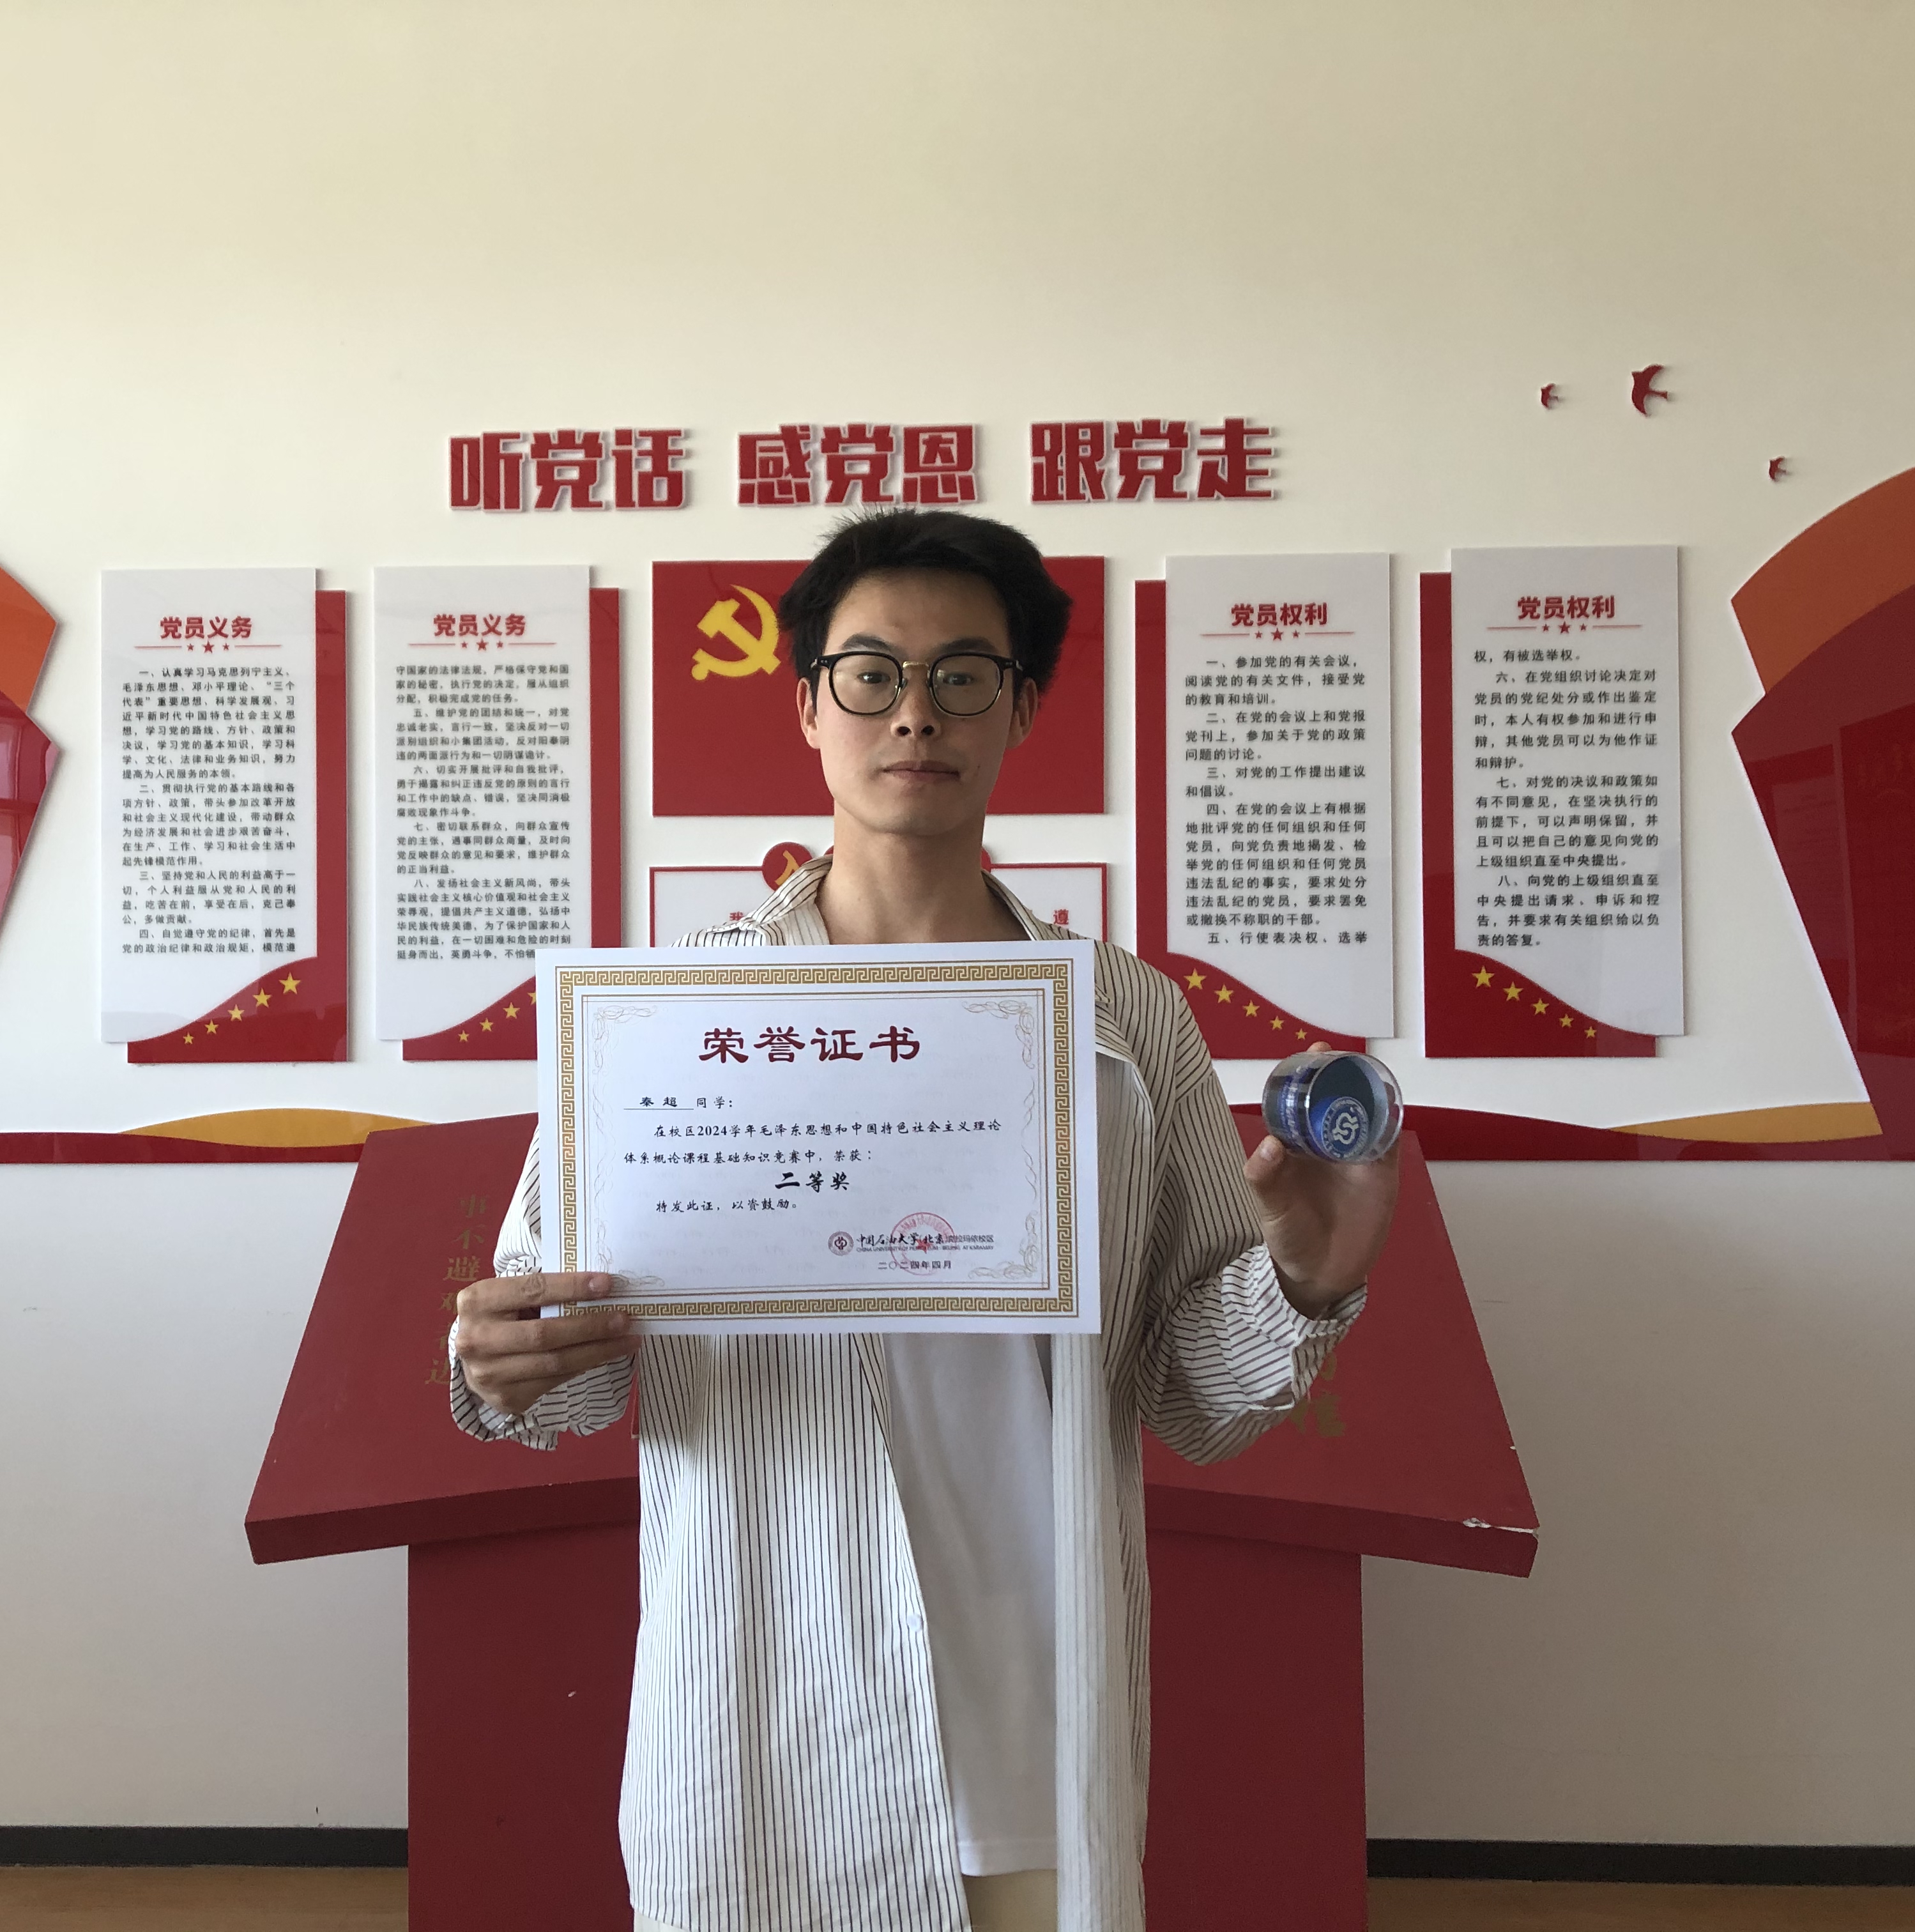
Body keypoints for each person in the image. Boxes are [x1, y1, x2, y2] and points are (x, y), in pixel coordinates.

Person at [449, 509, 1398, 1932]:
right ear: (807, 706)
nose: (915, 714)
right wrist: (507, 1360)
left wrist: (1305, 1281)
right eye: (871, 674)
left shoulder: (1124, 1021)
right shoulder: (670, 1017)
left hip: (1030, 1702)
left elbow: (1191, 1395)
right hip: (764, 1700)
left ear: (1021, 708)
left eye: (964, 675)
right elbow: (561, 1357)